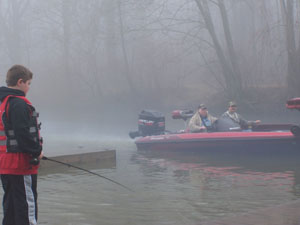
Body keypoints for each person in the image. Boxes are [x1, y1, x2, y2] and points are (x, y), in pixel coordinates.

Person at [0, 65, 43, 225]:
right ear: (20, 82)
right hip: (21, 166)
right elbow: (23, 134)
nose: (29, 87)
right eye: (29, 83)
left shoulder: (3, 102)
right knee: (26, 211)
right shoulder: (18, 104)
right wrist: (37, 151)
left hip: (6, 166)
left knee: (11, 210)